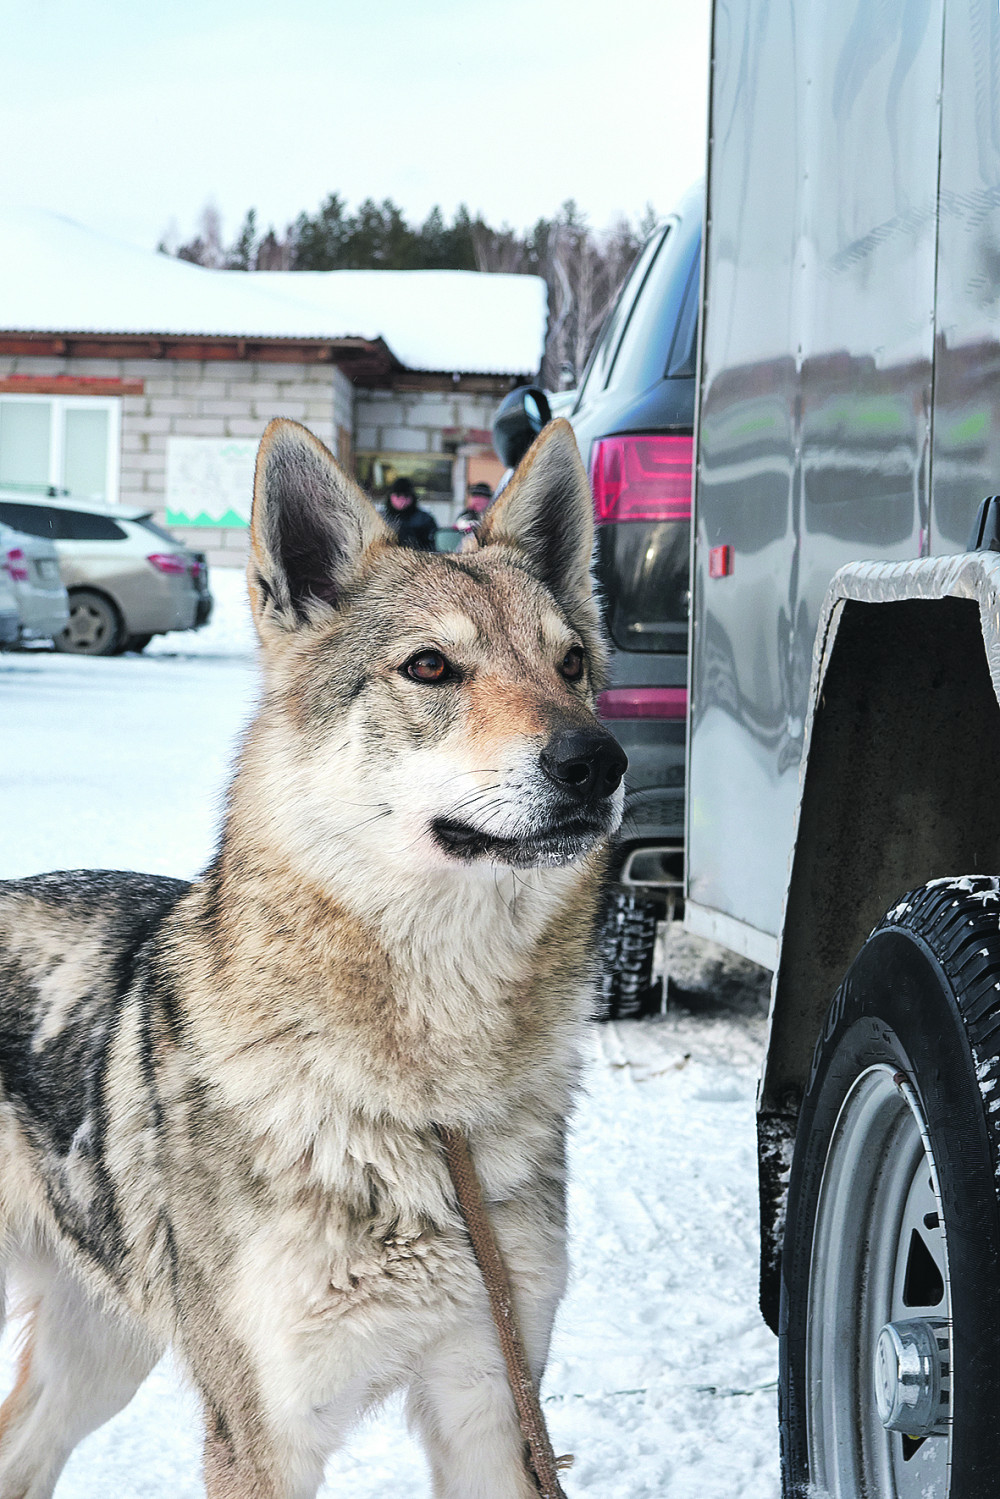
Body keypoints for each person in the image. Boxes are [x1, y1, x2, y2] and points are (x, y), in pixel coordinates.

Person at [383, 477, 437, 551]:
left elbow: (432, 548)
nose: (402, 500)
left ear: (412, 498)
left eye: (406, 496)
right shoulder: (381, 518)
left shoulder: (425, 520)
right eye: (398, 496)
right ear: (390, 497)